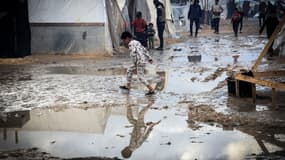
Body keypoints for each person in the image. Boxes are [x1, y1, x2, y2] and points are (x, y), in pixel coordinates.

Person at [119, 31, 155, 95]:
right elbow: (144, 49)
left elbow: (133, 53)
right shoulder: (137, 42)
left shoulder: (130, 44)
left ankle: (151, 89)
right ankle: (128, 85)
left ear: (127, 38)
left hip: (138, 61)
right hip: (141, 60)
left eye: (124, 40)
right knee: (129, 70)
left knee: (140, 77)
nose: (124, 42)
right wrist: (149, 58)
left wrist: (135, 63)